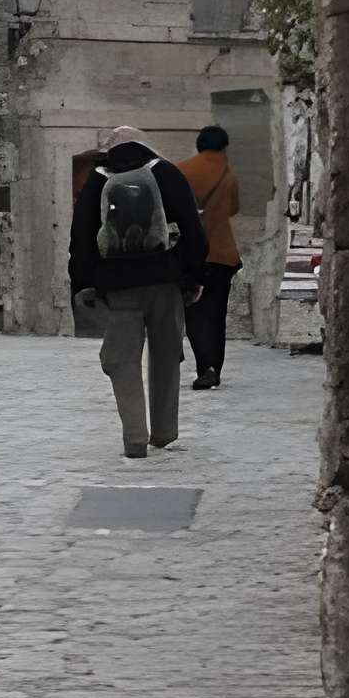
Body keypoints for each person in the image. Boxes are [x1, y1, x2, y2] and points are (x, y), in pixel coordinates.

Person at [69, 125, 208, 458]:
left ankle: (134, 436)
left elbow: (82, 237)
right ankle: (164, 432)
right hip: (166, 282)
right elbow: (193, 230)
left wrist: (83, 282)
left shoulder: (99, 179)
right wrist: (193, 278)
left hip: (119, 288)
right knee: (166, 356)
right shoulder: (167, 173)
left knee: (121, 360)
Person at [178, 124, 243, 391]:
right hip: (224, 254)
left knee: (194, 313)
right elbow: (233, 209)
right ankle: (215, 365)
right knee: (217, 313)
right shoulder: (229, 174)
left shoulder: (182, 171)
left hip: (194, 254)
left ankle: (205, 367)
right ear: (224, 146)